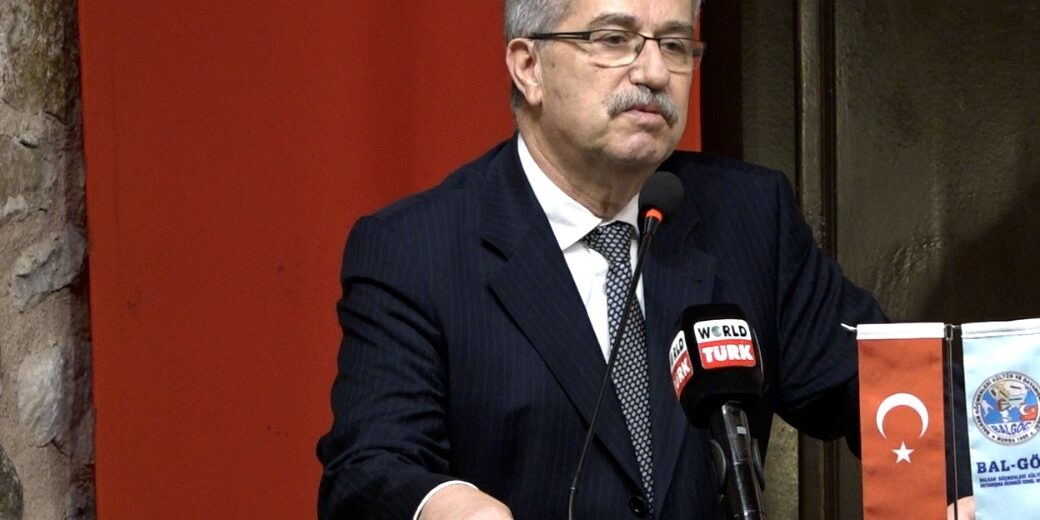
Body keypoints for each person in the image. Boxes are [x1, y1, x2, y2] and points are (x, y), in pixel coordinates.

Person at [316, 0, 947, 518]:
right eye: (614, 40)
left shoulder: (750, 217)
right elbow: (370, 468)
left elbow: (885, 385)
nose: (653, 72)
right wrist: (446, 504)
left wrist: (961, 484)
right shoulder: (417, 250)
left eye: (674, 44)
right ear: (528, 66)